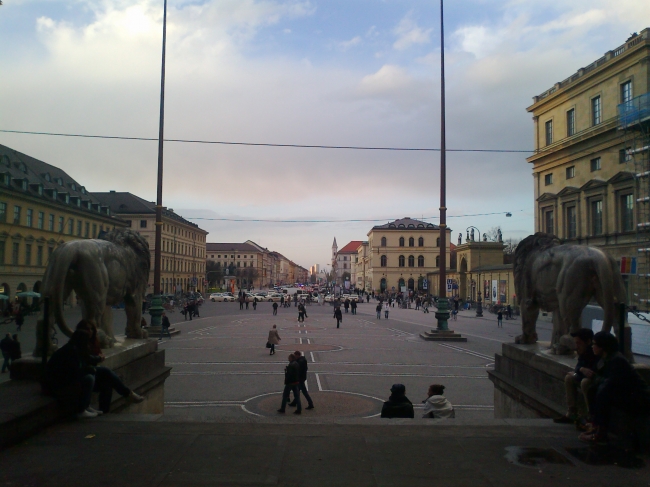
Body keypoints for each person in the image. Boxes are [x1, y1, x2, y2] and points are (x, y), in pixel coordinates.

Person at [45, 328, 143, 419]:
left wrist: (93, 364)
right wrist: (89, 369)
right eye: (87, 342)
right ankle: (82, 409)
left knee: (105, 377)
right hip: (58, 385)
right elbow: (73, 372)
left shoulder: (74, 349)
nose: (88, 344)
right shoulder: (71, 352)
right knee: (90, 378)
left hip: (66, 380)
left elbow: (85, 361)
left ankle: (116, 401)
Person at [579, 331, 650, 444]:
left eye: (594, 344)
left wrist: (596, 378)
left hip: (639, 398)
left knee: (602, 393)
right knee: (594, 390)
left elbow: (610, 383)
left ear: (602, 346)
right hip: (625, 393)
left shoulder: (617, 360)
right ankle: (595, 426)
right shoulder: (605, 358)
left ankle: (601, 433)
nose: (592, 347)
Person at [554, 328, 598, 424]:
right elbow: (579, 367)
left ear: (588, 342)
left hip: (596, 381)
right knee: (569, 378)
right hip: (588, 378)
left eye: (578, 343)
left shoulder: (595, 352)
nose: (576, 346)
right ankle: (571, 413)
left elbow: (592, 374)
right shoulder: (583, 351)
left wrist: (578, 372)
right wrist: (581, 370)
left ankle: (591, 415)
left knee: (584, 382)